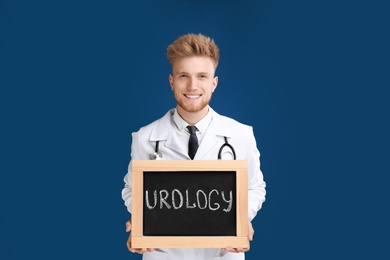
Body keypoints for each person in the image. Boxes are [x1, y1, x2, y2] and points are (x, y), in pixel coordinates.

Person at [121, 33, 266, 260]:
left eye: (202, 76)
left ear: (214, 83)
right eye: (183, 76)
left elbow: (256, 187)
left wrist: (240, 219)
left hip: (222, 254)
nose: (192, 86)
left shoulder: (241, 135)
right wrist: (142, 221)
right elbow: (131, 190)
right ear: (171, 81)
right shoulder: (145, 138)